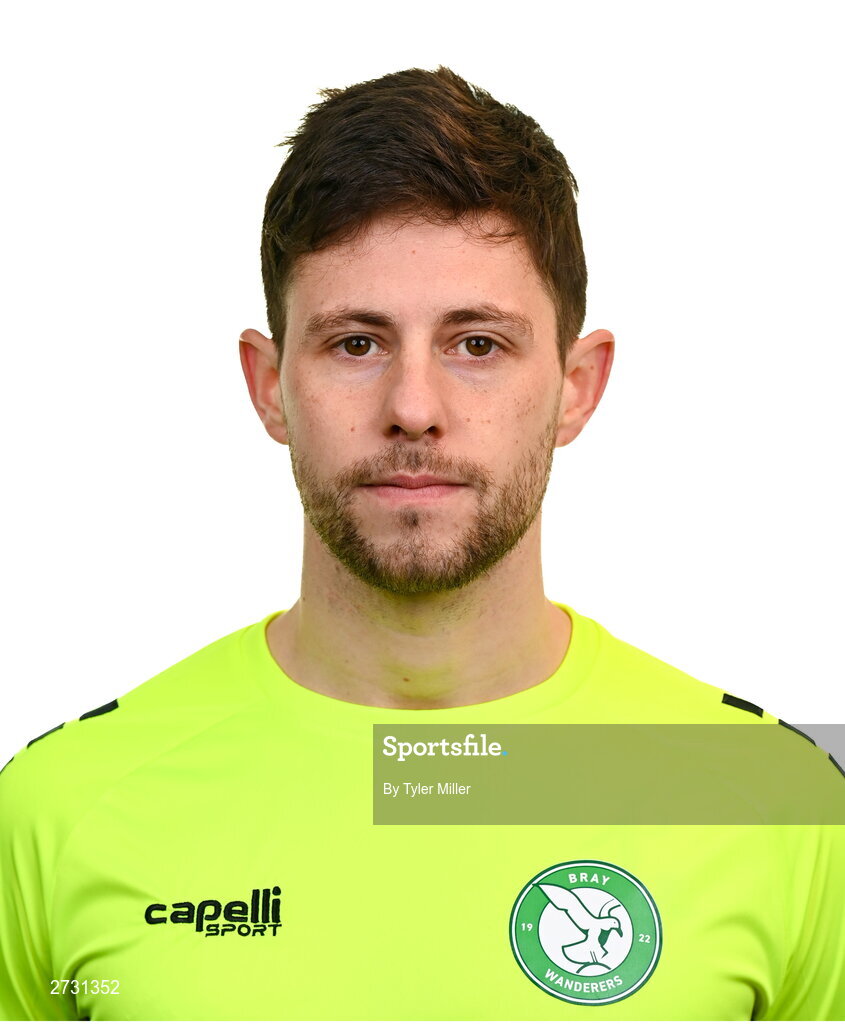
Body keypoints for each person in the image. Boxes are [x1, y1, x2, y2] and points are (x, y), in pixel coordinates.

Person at [1, 65, 843, 1022]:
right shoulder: (60, 809)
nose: (412, 407)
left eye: (476, 344)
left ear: (576, 386)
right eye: (355, 343)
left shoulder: (774, 802)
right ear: (269, 386)